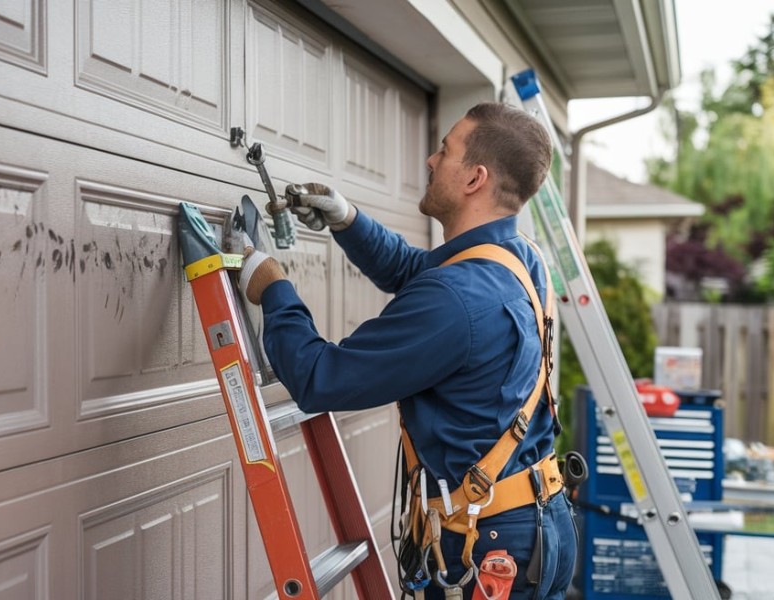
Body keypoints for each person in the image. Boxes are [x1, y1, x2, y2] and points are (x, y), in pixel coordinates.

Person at [236, 102, 576, 600]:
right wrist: (346, 218)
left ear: (474, 178)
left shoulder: (456, 299)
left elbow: (319, 378)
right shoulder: (519, 257)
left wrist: (272, 288)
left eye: (446, 150)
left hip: (488, 549)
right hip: (540, 521)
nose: (430, 161)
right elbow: (415, 270)